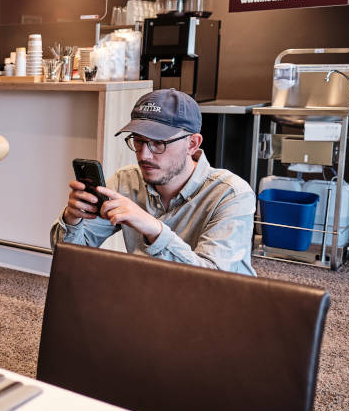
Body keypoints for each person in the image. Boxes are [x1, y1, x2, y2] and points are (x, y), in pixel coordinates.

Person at [50, 88, 256, 275]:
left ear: (192, 144)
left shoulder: (231, 194)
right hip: (152, 297)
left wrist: (154, 229)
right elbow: (70, 257)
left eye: (158, 143)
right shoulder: (126, 181)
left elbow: (212, 281)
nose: (144, 155)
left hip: (220, 309)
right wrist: (73, 220)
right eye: (138, 141)